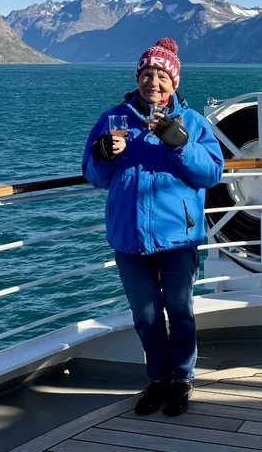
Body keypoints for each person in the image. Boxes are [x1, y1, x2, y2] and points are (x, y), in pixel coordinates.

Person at [82, 38, 224, 417]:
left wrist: (180, 144)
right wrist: (101, 155)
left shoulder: (192, 123)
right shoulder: (114, 119)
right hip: (129, 236)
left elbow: (211, 173)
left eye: (162, 76)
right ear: (137, 78)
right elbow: (94, 176)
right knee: (145, 316)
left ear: (174, 82)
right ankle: (158, 379)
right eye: (147, 74)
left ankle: (181, 379)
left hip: (177, 236)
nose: (154, 83)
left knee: (180, 311)